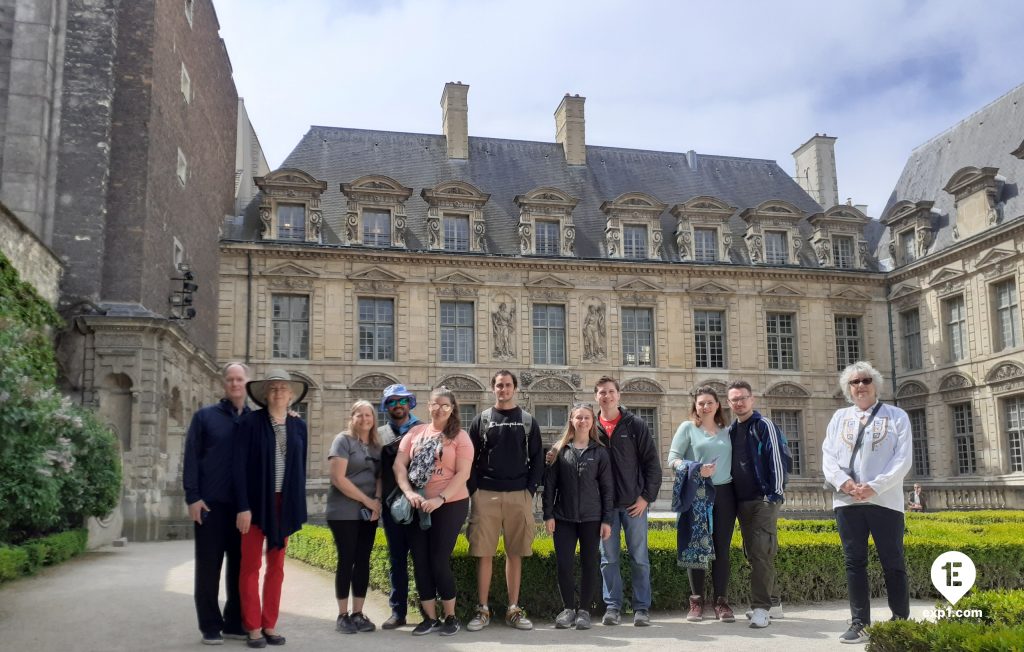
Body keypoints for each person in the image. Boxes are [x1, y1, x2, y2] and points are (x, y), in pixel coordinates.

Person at [822, 361, 912, 644]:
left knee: (893, 560)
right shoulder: (839, 417)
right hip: (848, 502)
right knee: (854, 562)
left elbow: (903, 458)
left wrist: (875, 487)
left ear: (875, 385)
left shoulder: (896, 416)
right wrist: (844, 483)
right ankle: (860, 621)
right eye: (854, 382)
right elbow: (828, 456)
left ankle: (900, 620)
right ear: (848, 388)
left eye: (865, 381)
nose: (860, 386)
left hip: (885, 500)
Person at [234, 369, 309, 649]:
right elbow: (238, 468)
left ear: (291, 395)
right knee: (251, 566)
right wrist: (242, 506)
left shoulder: (298, 425)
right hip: (255, 504)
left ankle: (270, 624)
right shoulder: (250, 423)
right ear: (266, 395)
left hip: (284, 503)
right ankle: (253, 626)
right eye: (273, 388)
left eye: (283, 388)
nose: (278, 392)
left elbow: (298, 469)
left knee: (276, 567)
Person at [466, 370, 544, 632]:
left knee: (515, 554)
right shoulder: (482, 420)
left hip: (518, 494)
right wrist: (475, 490)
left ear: (515, 388)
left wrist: (529, 491)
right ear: (493, 389)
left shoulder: (527, 420)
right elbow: (470, 459)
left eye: (508, 385)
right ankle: (483, 608)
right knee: (483, 554)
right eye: (499, 385)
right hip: (486, 494)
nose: (503, 389)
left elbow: (537, 460)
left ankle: (513, 608)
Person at [393, 386, 473, 637]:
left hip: (450, 504)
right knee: (420, 560)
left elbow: (463, 474)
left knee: (438, 559)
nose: (439, 409)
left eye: (445, 405)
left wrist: (440, 498)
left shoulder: (460, 437)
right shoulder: (415, 432)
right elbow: (399, 465)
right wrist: (409, 492)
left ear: (452, 410)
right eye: (435, 404)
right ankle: (430, 618)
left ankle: (451, 616)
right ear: (428, 406)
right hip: (417, 504)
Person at [183, 362, 251, 645]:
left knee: (239, 567)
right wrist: (193, 497)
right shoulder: (205, 417)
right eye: (230, 379)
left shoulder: (255, 421)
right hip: (209, 505)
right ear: (223, 384)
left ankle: (234, 622)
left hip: (242, 509)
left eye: (239, 379)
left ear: (247, 383)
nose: (235, 384)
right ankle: (210, 625)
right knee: (209, 567)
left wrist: (292, 416)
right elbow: (191, 458)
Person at [593, 376, 662, 627]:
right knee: (608, 559)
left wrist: (646, 498)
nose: (607, 396)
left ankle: (641, 608)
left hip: (634, 505)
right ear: (596, 397)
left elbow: (652, 464)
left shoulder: (635, 425)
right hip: (605, 508)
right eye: (602, 392)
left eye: (611, 391)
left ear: (618, 395)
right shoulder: (591, 427)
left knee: (639, 557)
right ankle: (612, 607)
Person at [667, 386, 736, 623]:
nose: (704, 406)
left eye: (709, 402)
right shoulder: (688, 428)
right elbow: (672, 460)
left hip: (725, 493)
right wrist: (695, 468)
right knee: (695, 547)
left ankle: (721, 602)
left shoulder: (728, 431)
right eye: (700, 403)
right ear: (695, 406)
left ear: (718, 405)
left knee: (721, 549)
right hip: (697, 491)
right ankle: (696, 602)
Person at [542, 403, 613, 631]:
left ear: (593, 422)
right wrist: (548, 515)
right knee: (564, 565)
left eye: (587, 418)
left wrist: (606, 519)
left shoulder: (600, 452)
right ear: (571, 421)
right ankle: (568, 610)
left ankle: (584, 610)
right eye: (578, 417)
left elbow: (607, 489)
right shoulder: (560, 451)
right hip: (563, 518)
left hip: (592, 518)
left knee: (589, 564)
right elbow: (550, 486)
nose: (582, 421)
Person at [725, 380, 786, 629]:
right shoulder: (731, 430)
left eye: (742, 398)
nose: (739, 403)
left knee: (760, 550)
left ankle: (761, 608)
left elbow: (777, 459)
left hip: (762, 499)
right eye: (734, 399)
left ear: (752, 399)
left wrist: (774, 495)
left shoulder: (763, 425)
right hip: (741, 501)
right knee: (755, 553)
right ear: (729, 404)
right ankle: (775, 602)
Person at [328, 400, 383, 634]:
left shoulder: (376, 445)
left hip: (368, 511)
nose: (364, 419)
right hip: (343, 512)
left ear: (373, 418)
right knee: (347, 559)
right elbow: (338, 479)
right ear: (352, 418)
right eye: (359, 415)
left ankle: (358, 613)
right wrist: (367, 501)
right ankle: (342, 615)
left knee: (363, 561)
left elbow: (381, 477)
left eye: (368, 415)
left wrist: (377, 502)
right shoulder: (343, 440)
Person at [377, 384, 421, 629]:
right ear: (386, 407)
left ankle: (427, 611)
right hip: (391, 506)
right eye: (391, 402)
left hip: (418, 503)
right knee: (396, 560)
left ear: (409, 403)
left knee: (422, 558)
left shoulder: (422, 429)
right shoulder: (380, 434)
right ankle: (398, 612)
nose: (397, 406)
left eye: (401, 401)